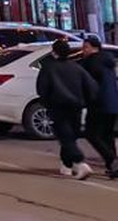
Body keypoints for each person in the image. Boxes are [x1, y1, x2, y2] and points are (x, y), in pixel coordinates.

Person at [37, 38, 98, 179]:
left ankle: (80, 163)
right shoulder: (76, 67)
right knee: (71, 136)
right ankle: (67, 165)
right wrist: (85, 101)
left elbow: (42, 88)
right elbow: (91, 86)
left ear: (54, 52)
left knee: (65, 137)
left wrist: (46, 103)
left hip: (58, 106)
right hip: (76, 106)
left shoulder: (49, 68)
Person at [78, 36, 118, 178]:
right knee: (107, 135)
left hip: (98, 104)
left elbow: (85, 83)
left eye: (85, 47)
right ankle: (112, 167)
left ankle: (112, 160)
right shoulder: (108, 60)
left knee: (91, 133)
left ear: (93, 47)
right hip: (113, 103)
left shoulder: (89, 62)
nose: (83, 50)